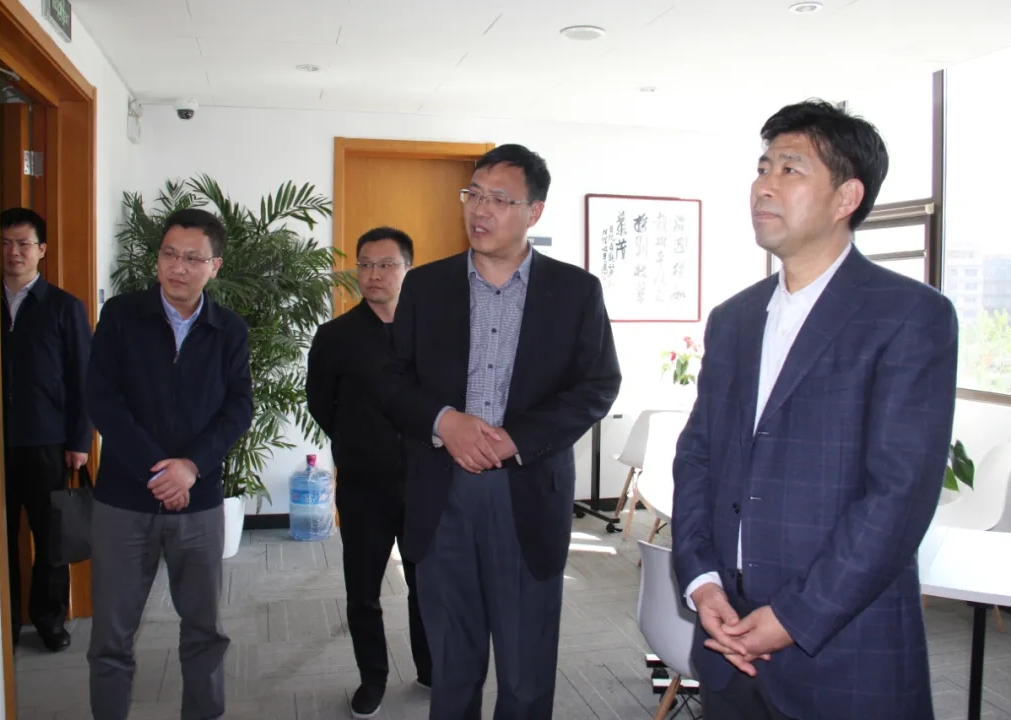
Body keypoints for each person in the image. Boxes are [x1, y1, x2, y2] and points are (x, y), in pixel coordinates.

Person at [672, 99, 958, 720]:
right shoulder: (734, 319)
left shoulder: (909, 316)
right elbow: (698, 457)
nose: (763, 185)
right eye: (762, 167)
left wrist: (793, 616)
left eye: (790, 169)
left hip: (844, 654)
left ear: (846, 197)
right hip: (727, 643)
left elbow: (898, 496)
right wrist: (701, 581)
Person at [378, 144, 622, 719]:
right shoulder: (426, 286)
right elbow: (391, 380)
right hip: (443, 493)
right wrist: (445, 421)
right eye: (474, 194)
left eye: (500, 199)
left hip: (526, 492)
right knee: (452, 668)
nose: (480, 209)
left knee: (525, 672)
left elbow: (598, 385)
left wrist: (518, 438)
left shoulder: (575, 292)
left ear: (534, 212)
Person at [85, 208, 253, 720]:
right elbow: (102, 400)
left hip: (198, 502)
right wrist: (159, 472)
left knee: (204, 631)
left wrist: (191, 468)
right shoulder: (121, 315)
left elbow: (238, 408)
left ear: (215, 266)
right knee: (111, 635)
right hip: (124, 499)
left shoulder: (229, 329)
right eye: (169, 255)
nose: (177, 268)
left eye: (192, 259)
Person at [306, 226, 431, 718]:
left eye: (386, 264)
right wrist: (359, 443)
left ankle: (431, 667)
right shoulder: (335, 336)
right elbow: (322, 405)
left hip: (424, 481)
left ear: (408, 269)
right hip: (363, 485)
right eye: (364, 264)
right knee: (363, 589)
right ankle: (372, 677)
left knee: (428, 583)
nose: (373, 274)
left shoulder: (430, 332)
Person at [0, 207, 93, 652]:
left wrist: (79, 440)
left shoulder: (63, 307)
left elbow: (85, 379)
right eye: (5, 243)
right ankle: (4, 620)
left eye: (23, 243)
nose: (13, 252)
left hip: (48, 442)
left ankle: (49, 620)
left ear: (42, 250)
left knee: (52, 538)